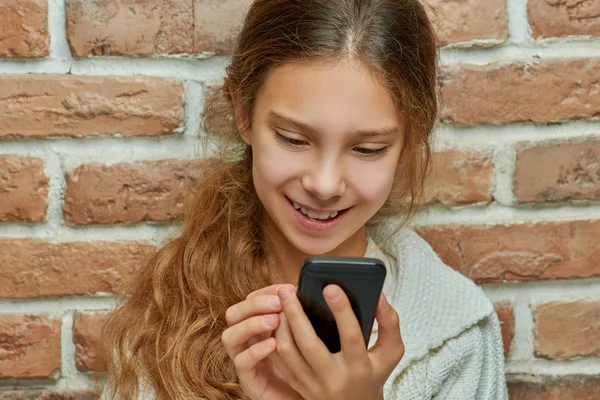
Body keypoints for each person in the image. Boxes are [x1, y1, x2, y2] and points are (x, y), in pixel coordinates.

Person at [101, 0, 509, 399]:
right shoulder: (165, 319)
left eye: (367, 149)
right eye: (294, 140)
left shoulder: (458, 334)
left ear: (408, 143)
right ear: (243, 113)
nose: (325, 184)